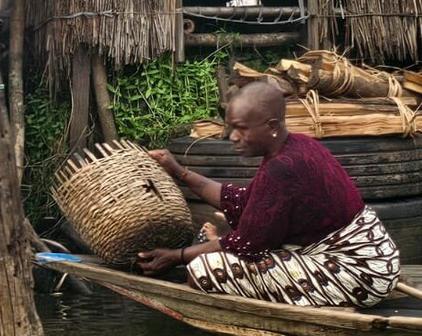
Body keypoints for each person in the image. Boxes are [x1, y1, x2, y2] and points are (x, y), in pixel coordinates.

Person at [137, 81, 400, 307]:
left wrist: (177, 256)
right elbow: (242, 202)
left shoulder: (283, 167)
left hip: (359, 275)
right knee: (227, 251)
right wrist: (177, 171)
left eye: (242, 128)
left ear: (272, 125)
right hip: (378, 260)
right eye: (231, 128)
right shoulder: (296, 145)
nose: (233, 137)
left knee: (203, 270)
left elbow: (247, 243)